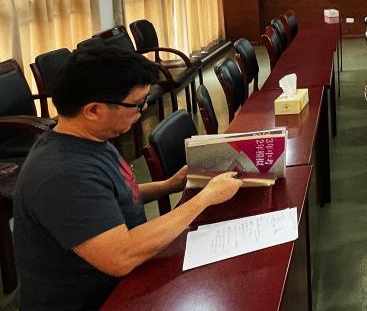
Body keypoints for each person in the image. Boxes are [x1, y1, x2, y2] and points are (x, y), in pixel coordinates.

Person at [13, 47, 242, 310]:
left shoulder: (89, 139)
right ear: (93, 110)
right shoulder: (63, 174)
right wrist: (205, 198)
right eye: (136, 104)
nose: (143, 110)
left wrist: (169, 185)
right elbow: (121, 256)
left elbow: (110, 196)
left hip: (128, 278)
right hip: (98, 300)